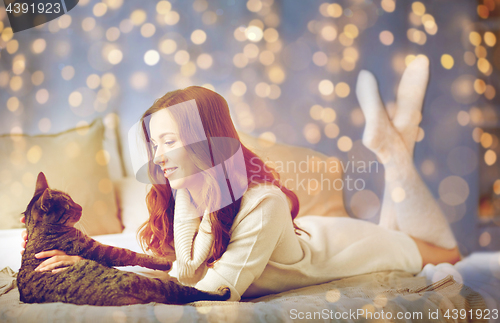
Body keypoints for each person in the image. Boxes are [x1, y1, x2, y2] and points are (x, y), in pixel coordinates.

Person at [21, 56, 461, 301]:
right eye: (155, 145)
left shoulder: (262, 202)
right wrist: (90, 263)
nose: (159, 157)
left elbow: (214, 292)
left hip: (347, 247)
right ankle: (398, 141)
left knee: (450, 253)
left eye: (170, 141)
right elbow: (184, 270)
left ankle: (392, 151)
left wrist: (110, 278)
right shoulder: (186, 196)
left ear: (207, 143)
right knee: (397, 224)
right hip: (318, 237)